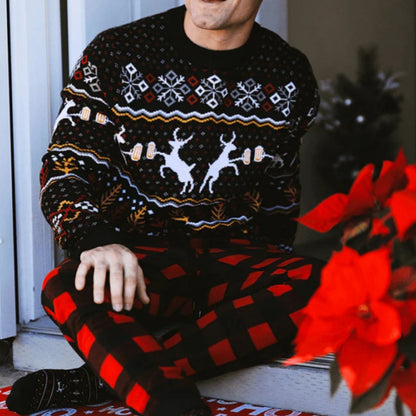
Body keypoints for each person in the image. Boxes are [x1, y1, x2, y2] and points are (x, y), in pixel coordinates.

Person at [7, 1, 323, 416]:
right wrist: (96, 241)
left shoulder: (289, 73)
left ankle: (103, 376)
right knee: (67, 285)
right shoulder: (117, 53)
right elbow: (65, 166)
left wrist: (265, 286)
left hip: (229, 261)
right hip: (141, 266)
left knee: (331, 289)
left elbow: (280, 197)